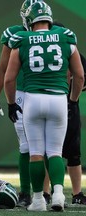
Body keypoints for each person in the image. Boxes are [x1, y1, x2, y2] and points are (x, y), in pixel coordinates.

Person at [4, 1, 84, 212]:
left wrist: (11, 103)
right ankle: (58, 194)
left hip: (33, 100)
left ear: (30, 21)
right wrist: (73, 100)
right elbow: (80, 75)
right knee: (55, 152)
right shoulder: (66, 36)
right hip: (58, 99)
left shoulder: (21, 39)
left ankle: (38, 199)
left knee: (36, 153)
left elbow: (9, 79)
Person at [0, 0, 50, 207]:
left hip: (44, 92)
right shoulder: (15, 35)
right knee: (26, 145)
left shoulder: (53, 33)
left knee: (49, 146)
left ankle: (47, 191)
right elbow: (3, 68)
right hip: (22, 92)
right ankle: (26, 191)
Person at [51, 21, 86, 205]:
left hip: (55, 103)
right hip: (62, 103)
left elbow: (82, 78)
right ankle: (72, 193)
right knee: (55, 152)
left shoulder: (72, 52)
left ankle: (51, 193)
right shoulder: (68, 49)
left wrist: (72, 97)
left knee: (65, 152)